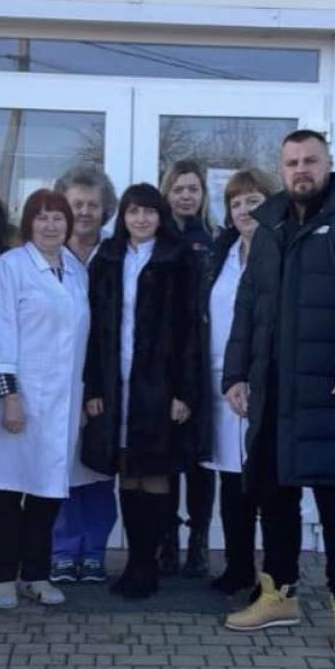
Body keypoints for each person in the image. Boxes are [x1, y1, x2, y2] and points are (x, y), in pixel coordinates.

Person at [222, 130, 335, 656]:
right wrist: (235, 373)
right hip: (275, 393)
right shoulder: (270, 226)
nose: (301, 169)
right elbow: (248, 304)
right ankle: (278, 595)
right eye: (292, 162)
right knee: (275, 498)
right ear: (282, 168)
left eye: (310, 160)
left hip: (333, 390)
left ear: (328, 163)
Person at [82, 183, 202, 599]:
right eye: (133, 211)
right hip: (117, 384)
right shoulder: (108, 257)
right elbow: (93, 329)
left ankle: (149, 563)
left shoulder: (179, 258)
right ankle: (135, 561)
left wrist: (184, 391)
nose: (141, 219)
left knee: (155, 472)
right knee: (128, 473)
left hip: (160, 384)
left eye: (149, 211)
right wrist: (93, 386)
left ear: (160, 215)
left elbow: (191, 329)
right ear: (123, 216)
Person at [0, 188, 90, 609]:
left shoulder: (75, 270)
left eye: (58, 217)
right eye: (41, 217)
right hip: (19, 397)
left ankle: (36, 574)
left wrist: (83, 398)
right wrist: (9, 396)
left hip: (63, 401)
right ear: (28, 223)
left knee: (48, 492)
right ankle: (2, 579)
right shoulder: (10, 267)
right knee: (8, 490)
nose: (50, 225)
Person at [201, 166, 276, 595]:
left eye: (253, 201)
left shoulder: (282, 251)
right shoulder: (222, 254)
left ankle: (275, 574)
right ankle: (238, 566)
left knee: (264, 482)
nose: (244, 210)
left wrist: (251, 375)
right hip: (219, 383)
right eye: (235, 203)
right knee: (230, 481)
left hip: (261, 382)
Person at [49, 165, 118, 583]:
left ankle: (93, 550)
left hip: (105, 378)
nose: (85, 212)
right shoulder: (49, 254)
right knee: (61, 467)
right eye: (77, 204)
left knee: (98, 468)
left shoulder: (116, 253)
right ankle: (61, 550)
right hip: (58, 377)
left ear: (105, 208)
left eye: (93, 204)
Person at [159, 157, 216, 578]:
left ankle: (198, 542)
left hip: (206, 364)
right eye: (178, 189)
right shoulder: (157, 241)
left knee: (200, 462)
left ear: (203, 194)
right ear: (167, 194)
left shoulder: (216, 240)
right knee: (165, 459)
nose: (185, 196)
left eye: (192, 189)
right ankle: (166, 541)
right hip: (163, 365)